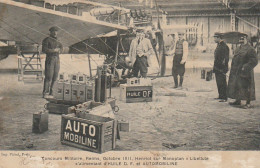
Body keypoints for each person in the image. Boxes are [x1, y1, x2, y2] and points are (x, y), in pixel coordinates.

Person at [227, 33, 258, 109]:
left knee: (246, 86)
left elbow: (254, 60)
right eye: (240, 39)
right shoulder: (238, 48)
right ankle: (238, 100)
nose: (240, 40)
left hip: (246, 71)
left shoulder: (250, 49)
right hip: (237, 71)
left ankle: (248, 103)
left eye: (242, 39)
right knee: (237, 85)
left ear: (246, 39)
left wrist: (246, 67)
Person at [42, 26, 63, 98]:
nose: (55, 33)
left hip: (57, 59)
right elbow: (44, 50)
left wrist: (60, 50)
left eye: (56, 31)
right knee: (48, 76)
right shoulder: (46, 40)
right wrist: (53, 50)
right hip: (50, 59)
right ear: (50, 32)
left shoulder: (59, 40)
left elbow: (62, 48)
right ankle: (45, 93)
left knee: (55, 76)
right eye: (53, 31)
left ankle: (52, 92)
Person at [213, 32, 229, 102]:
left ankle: (224, 97)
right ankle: (220, 95)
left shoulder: (224, 46)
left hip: (221, 68)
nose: (214, 39)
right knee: (219, 82)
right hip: (217, 67)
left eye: (215, 37)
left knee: (222, 82)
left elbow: (226, 59)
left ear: (219, 38)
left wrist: (223, 68)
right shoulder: (219, 45)